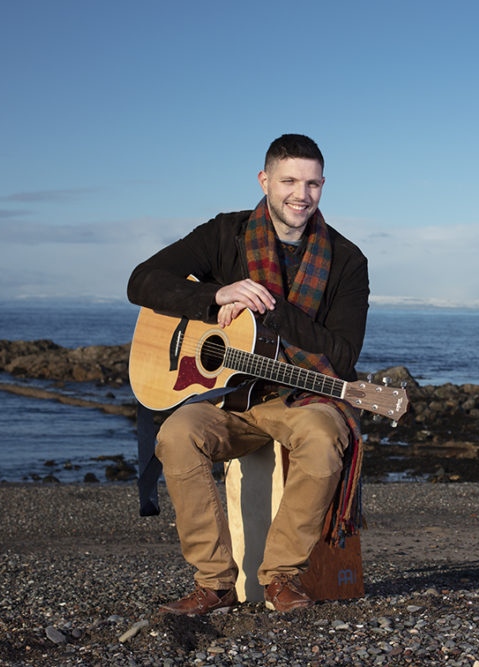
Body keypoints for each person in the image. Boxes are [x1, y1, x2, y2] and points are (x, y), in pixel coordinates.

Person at [128, 134, 369, 614]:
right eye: (289, 181)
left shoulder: (346, 259)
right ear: (265, 180)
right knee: (176, 436)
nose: (301, 194)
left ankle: (281, 577)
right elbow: (142, 281)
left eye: (312, 183)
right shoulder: (225, 234)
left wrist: (271, 308)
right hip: (227, 401)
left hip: (298, 398)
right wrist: (214, 296)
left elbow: (342, 357)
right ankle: (213, 583)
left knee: (324, 439)